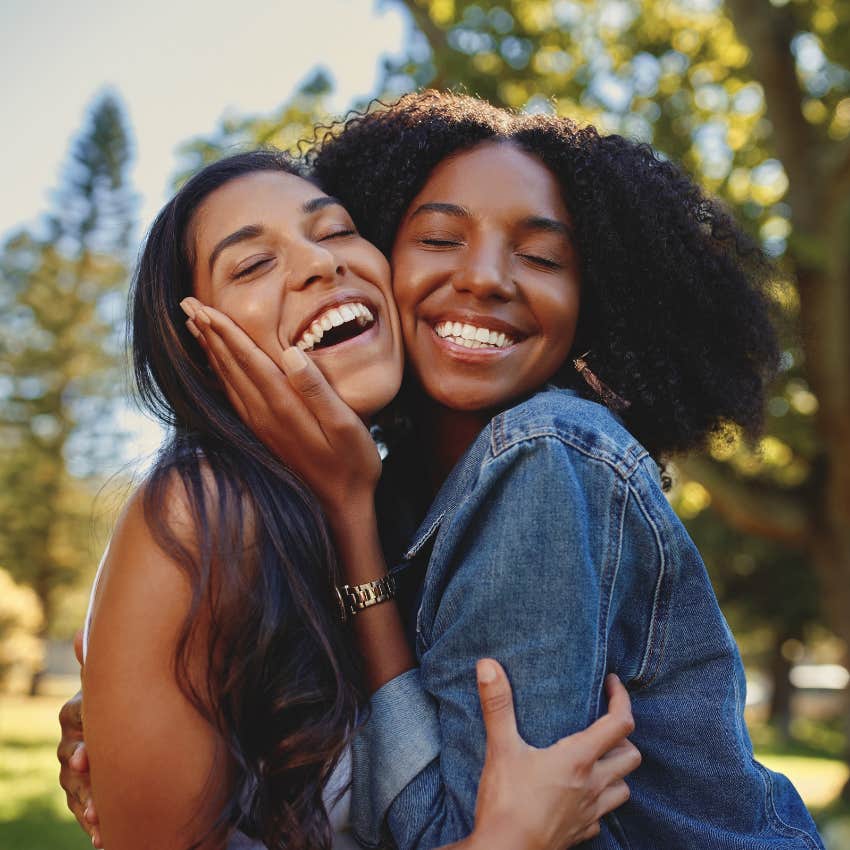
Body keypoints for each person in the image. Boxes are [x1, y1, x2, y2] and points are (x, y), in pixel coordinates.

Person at [167, 92, 824, 848]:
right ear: (378, 261)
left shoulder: (541, 454)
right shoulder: (387, 487)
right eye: (440, 239)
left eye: (542, 257)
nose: (484, 278)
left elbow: (451, 833)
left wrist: (351, 527)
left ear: (591, 301)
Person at [58, 149, 640, 850]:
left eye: (334, 231)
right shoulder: (200, 512)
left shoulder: (408, 506)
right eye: (250, 264)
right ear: (201, 350)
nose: (319, 263)